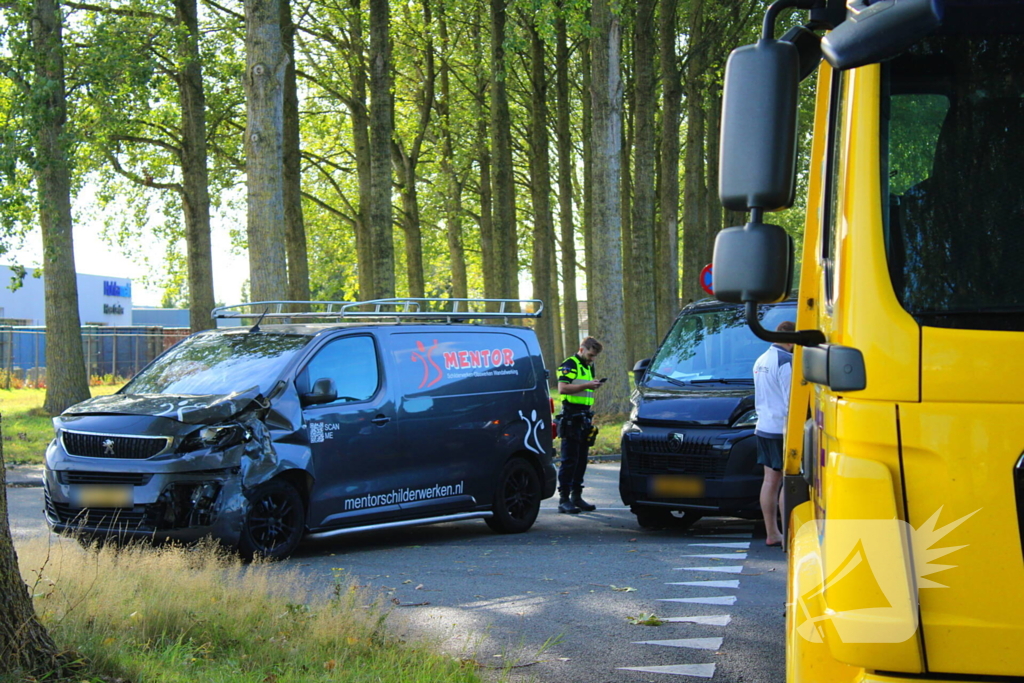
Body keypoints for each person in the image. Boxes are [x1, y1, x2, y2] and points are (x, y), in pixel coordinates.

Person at [752, 320, 795, 546]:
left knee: (770, 481)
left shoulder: (761, 360)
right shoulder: (785, 361)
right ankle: (788, 533)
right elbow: (791, 402)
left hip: (764, 427)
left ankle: (772, 532)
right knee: (787, 481)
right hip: (782, 430)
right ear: (791, 339)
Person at [556, 337, 604, 514]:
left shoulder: (588, 365)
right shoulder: (570, 364)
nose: (592, 359)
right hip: (571, 415)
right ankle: (564, 499)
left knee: (581, 458)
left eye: (594, 357)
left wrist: (592, 386)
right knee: (569, 459)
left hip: (584, 416)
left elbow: (583, 389)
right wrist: (588, 385)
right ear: (581, 349)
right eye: (590, 355)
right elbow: (562, 388)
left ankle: (577, 496)